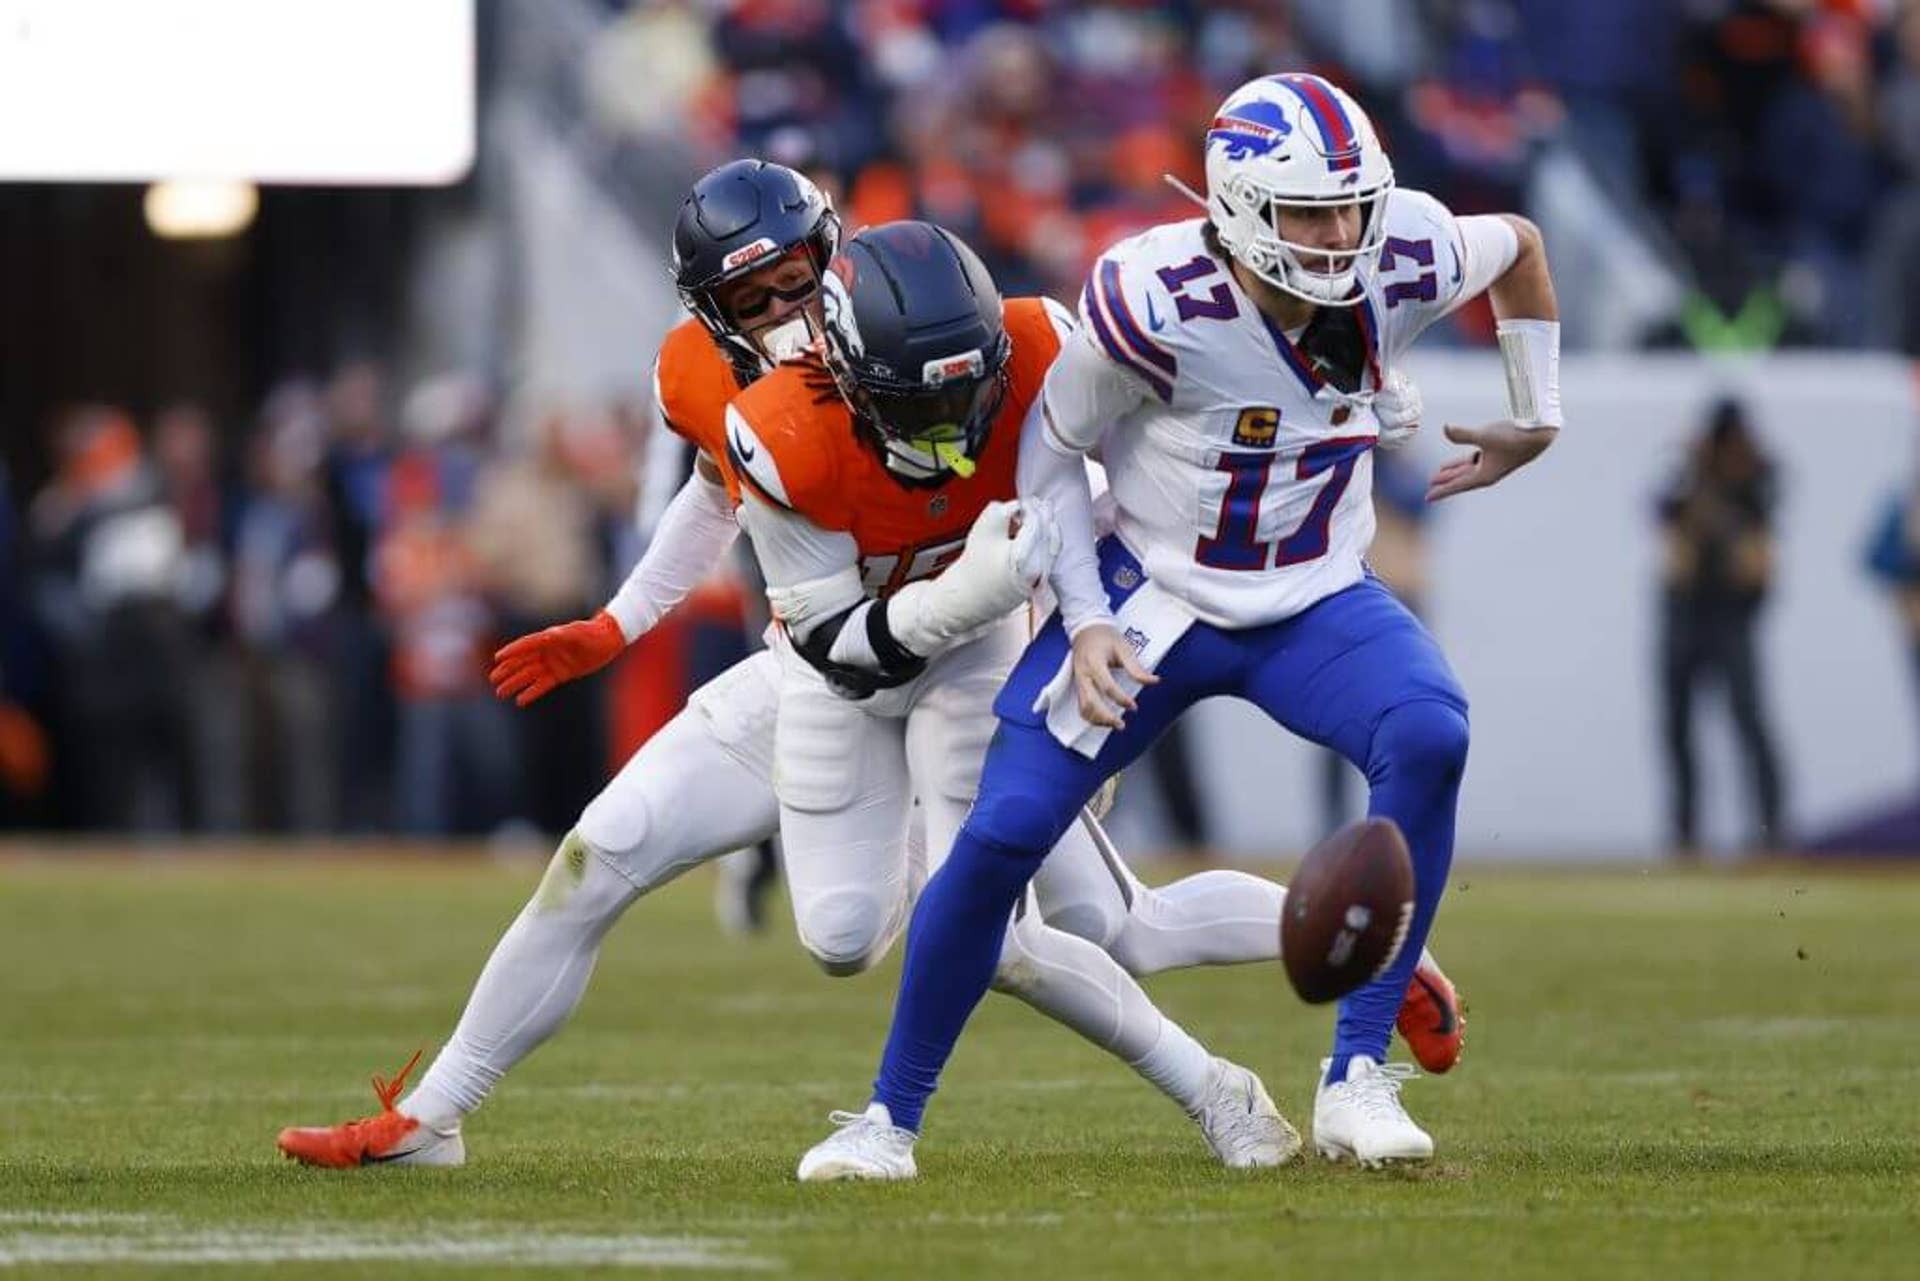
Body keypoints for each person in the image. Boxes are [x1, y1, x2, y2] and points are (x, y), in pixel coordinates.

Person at [801, 72, 1559, 1177]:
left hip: (1313, 595)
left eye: (1354, 204)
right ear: (1239, 206)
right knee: (1002, 837)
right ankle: (889, 1121)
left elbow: (1523, 243)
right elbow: (1051, 455)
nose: (1341, 231)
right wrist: (1090, 616)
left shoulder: (1408, 249)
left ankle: (1356, 1081)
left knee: (1432, 732)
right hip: (1155, 593)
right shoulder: (1154, 300)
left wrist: (1539, 412)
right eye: (1310, 211)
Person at [1657, 398, 1785, 854]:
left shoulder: (1759, 475)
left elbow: (1756, 554)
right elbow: (1668, 525)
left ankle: (1772, 830)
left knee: (1749, 721)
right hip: (1687, 611)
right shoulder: (1686, 474)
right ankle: (1686, 834)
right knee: (1678, 729)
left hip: (1732, 612)